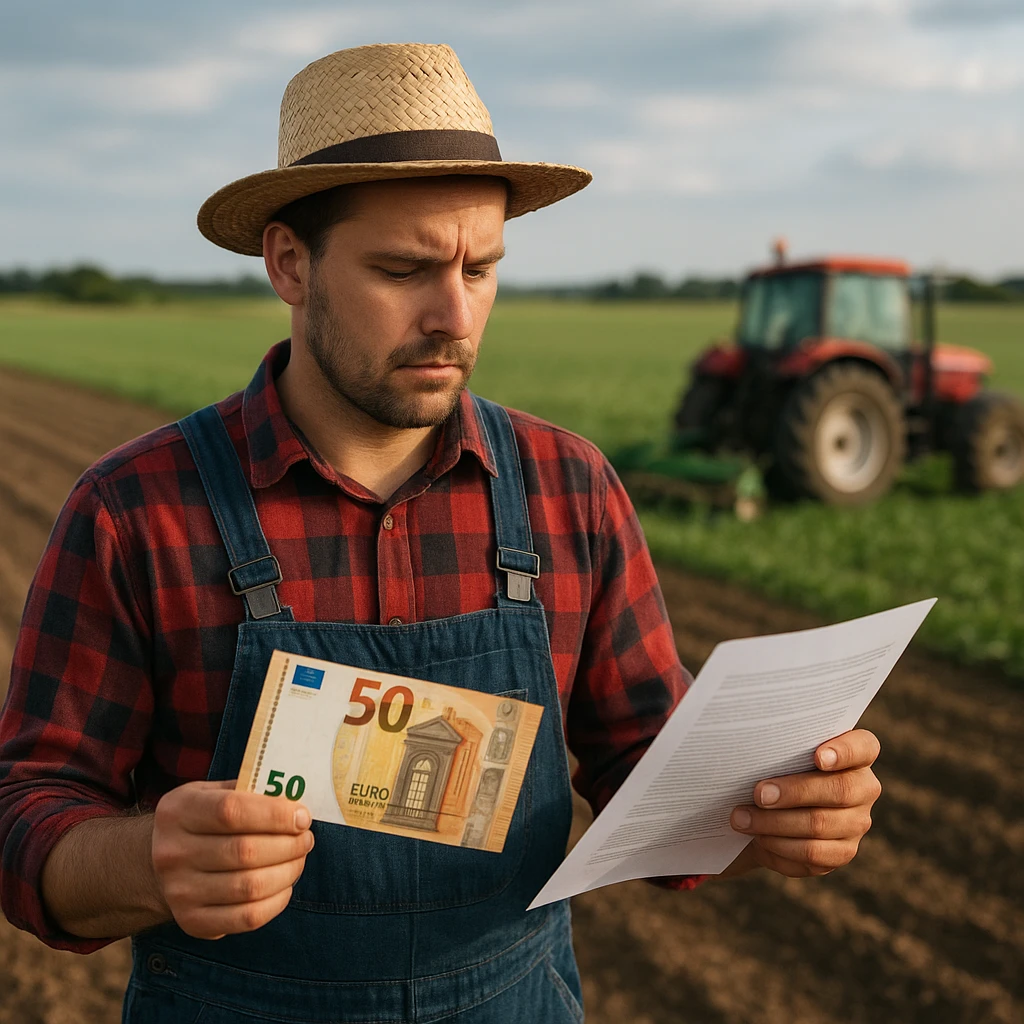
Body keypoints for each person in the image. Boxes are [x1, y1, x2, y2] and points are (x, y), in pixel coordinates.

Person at [0, 43, 882, 1022]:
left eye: (482, 266)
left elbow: (647, 763)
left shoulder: (569, 489)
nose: (454, 315)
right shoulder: (137, 509)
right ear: (289, 263)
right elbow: (28, 813)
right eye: (404, 268)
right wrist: (146, 859)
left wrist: (768, 816)